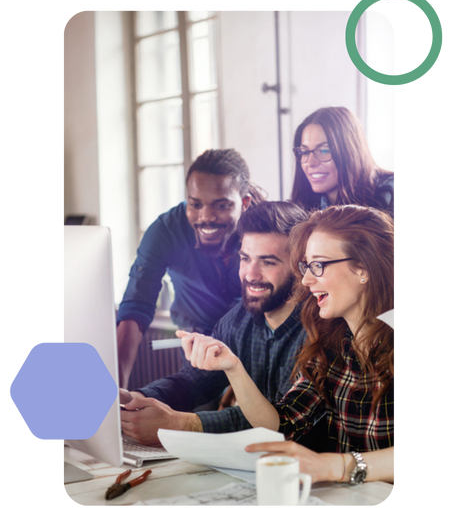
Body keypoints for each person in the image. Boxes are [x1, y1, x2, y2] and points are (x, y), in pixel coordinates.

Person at [181, 205, 397, 484]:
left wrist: (335, 466)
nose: (306, 280)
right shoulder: (332, 341)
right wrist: (233, 368)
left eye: (318, 265)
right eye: (306, 266)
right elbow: (281, 424)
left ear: (363, 268)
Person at [120, 201, 313, 445]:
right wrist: (135, 400)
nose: (250, 274)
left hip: (312, 472)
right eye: (245, 258)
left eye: (268, 262)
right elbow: (194, 382)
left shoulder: (320, 329)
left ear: (300, 266)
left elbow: (277, 423)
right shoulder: (237, 320)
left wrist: (179, 424)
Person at [116, 148, 265, 388]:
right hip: (198, 348)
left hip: (256, 346)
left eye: (221, 205)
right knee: (191, 415)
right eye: (195, 204)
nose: (205, 217)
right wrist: (117, 386)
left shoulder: (265, 230)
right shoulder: (166, 231)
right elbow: (136, 304)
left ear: (244, 203)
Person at [290, 107, 397, 219]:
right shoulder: (304, 209)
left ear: (350, 151)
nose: (310, 163)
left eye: (324, 150)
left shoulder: (392, 192)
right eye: (305, 152)